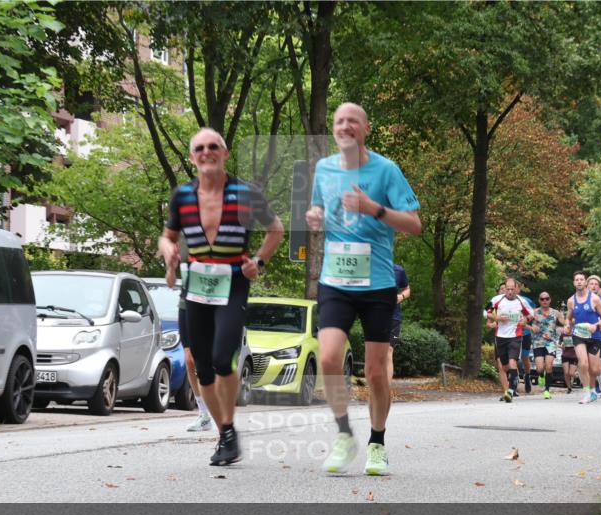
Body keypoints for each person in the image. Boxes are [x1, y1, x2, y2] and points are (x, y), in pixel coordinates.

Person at [305, 102, 421, 476]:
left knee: (374, 373)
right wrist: (315, 218)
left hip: (378, 284)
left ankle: (377, 442)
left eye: (352, 121)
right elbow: (318, 212)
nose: (345, 126)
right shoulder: (323, 169)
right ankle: (343, 434)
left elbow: (415, 225)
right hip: (336, 280)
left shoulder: (386, 171)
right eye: (339, 121)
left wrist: (375, 209)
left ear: (366, 128)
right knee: (327, 359)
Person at [160, 128, 284, 466]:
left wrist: (258, 261)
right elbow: (167, 236)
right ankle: (226, 432)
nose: (206, 152)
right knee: (201, 367)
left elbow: (277, 229)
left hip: (232, 280)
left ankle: (228, 427)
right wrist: (169, 250)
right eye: (199, 148)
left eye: (213, 146)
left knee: (221, 356)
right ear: (191, 157)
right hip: (197, 283)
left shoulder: (246, 193)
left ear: (225, 153)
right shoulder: (182, 196)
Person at [565, 271, 601, 404]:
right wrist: (567, 325)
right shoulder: (571, 301)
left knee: (594, 369)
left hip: (594, 336)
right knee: (583, 363)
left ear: (585, 282)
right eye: (577, 280)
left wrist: (596, 325)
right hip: (579, 335)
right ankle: (586, 392)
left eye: (581, 279)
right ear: (574, 283)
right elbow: (568, 318)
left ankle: (599, 379)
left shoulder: (594, 299)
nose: (579, 281)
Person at [487, 278, 534, 403]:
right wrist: (497, 317)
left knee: (513, 362)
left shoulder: (521, 301)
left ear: (516, 289)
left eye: (512, 289)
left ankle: (510, 391)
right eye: (508, 289)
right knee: (505, 366)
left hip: (515, 335)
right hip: (500, 336)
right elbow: (486, 312)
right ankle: (513, 381)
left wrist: (525, 320)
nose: (510, 292)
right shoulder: (497, 300)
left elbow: (531, 314)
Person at [530, 292, 565, 399]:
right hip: (538, 342)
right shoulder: (534, 312)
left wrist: (571, 322)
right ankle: (541, 375)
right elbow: (523, 322)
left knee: (549, 366)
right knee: (540, 368)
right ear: (539, 300)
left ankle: (547, 390)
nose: (545, 301)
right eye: (542, 299)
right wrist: (531, 327)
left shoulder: (556, 313)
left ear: (550, 300)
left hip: (550, 343)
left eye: (547, 299)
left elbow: (565, 323)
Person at [387, 262, 411, 382]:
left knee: (388, 350)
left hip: (393, 317)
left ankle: (384, 389)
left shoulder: (398, 270)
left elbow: (407, 289)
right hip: (373, 316)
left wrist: (401, 296)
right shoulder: (370, 267)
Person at [560, 314, 578, 394]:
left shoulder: (575, 334)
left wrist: (576, 346)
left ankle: (577, 376)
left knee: (571, 373)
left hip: (574, 356)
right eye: (567, 326)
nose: (568, 328)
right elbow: (559, 343)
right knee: (566, 372)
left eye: (569, 326)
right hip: (565, 355)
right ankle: (569, 387)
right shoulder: (563, 334)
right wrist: (561, 346)